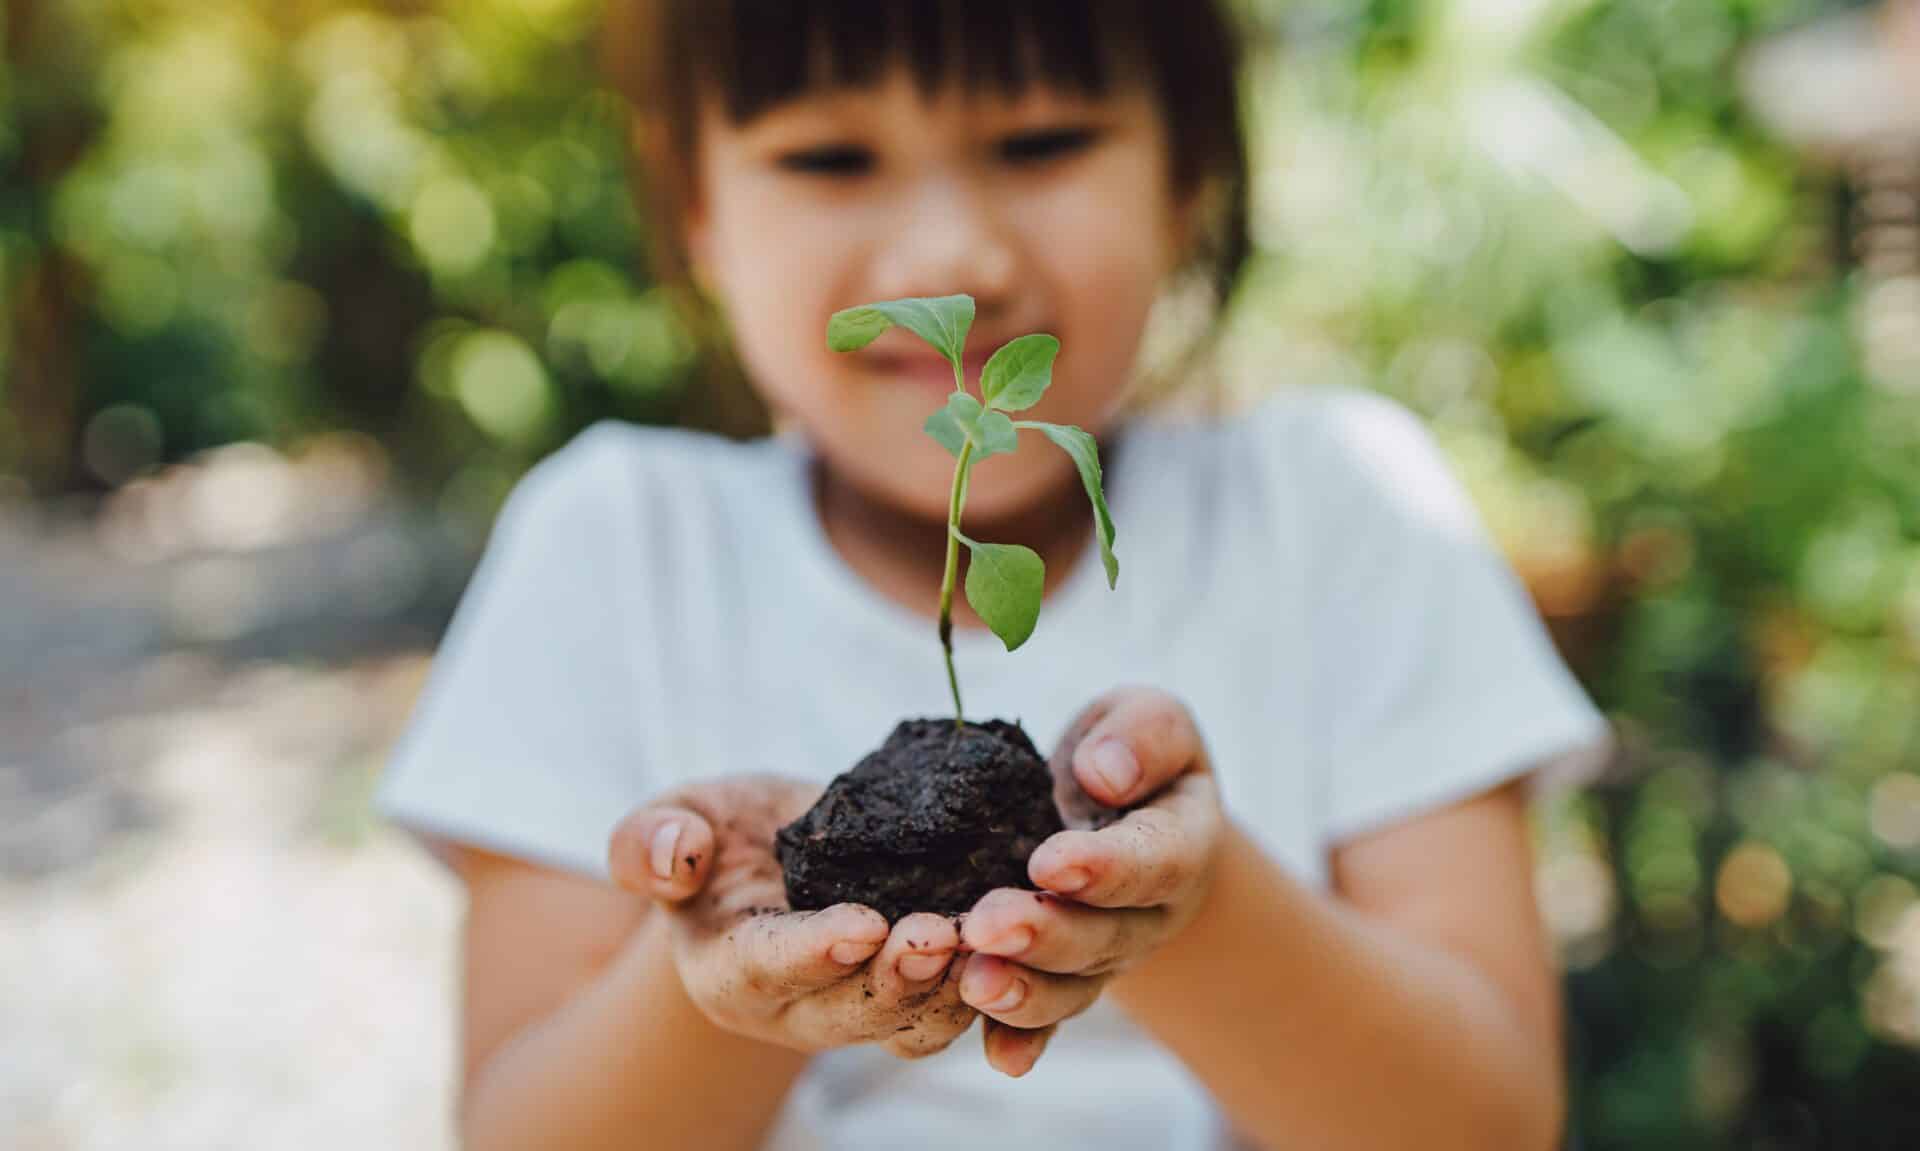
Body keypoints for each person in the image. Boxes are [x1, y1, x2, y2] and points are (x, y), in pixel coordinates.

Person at [377, 2, 1611, 1148]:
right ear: (693, 202)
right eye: (830, 159)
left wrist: (1181, 905)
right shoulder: (617, 542)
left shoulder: (1340, 507)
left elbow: (1487, 1119)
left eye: (1041, 141)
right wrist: (733, 982)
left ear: (1189, 171)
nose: (951, 257)